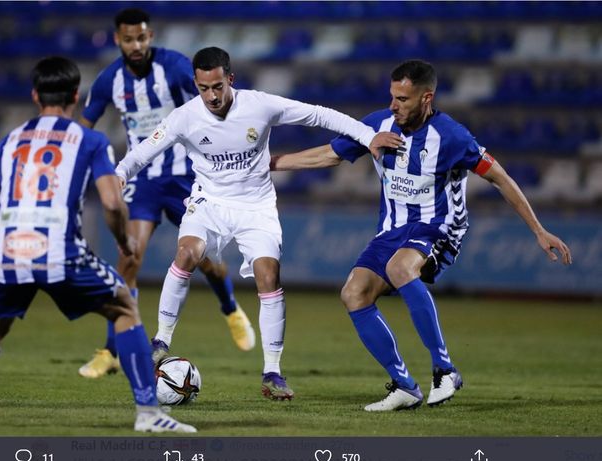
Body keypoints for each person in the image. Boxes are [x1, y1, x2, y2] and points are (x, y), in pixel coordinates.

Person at [271, 59, 572, 411]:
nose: (393, 105)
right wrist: (273, 163)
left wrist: (538, 230)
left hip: (439, 227)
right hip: (392, 230)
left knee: (401, 269)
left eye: (403, 99)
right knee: (353, 293)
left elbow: (500, 177)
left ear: (426, 98)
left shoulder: (452, 136)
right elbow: (329, 155)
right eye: (392, 96)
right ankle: (404, 386)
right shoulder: (378, 126)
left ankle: (445, 369)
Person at [0, 56, 195, 433]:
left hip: (9, 253)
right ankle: (149, 414)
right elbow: (113, 202)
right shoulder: (89, 140)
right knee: (125, 307)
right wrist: (124, 241)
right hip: (59, 252)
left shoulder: (9, 142)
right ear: (76, 95)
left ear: (35, 95)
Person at [115, 46, 378, 400]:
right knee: (187, 253)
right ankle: (161, 340)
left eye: (218, 87)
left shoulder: (260, 105)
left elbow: (319, 115)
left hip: (256, 206)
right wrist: (119, 175)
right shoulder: (185, 117)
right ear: (196, 83)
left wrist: (368, 136)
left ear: (230, 79)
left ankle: (273, 372)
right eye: (204, 88)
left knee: (269, 275)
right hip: (209, 202)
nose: (211, 96)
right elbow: (144, 151)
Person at [78, 8, 254, 379]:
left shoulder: (175, 68)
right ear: (118, 40)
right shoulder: (110, 79)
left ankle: (230, 309)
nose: (137, 45)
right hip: (142, 181)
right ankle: (112, 350)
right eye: (129, 39)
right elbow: (84, 127)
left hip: (185, 177)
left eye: (142, 38)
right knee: (129, 257)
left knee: (207, 260)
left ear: (150, 35)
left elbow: (213, 108)